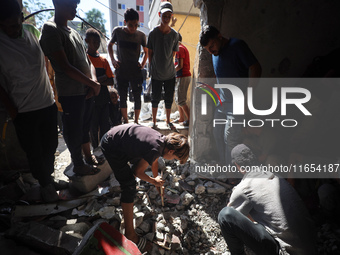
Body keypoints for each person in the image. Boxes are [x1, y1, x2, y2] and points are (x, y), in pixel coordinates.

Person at [0, 0, 58, 202]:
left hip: (47, 102)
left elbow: (45, 62)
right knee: (34, 152)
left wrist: (53, 90)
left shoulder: (32, 31)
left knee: (50, 146)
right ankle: (45, 185)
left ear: (22, 18)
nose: (10, 31)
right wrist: (13, 112)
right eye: (4, 27)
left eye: (14, 25)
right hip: (24, 110)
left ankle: (47, 178)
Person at [100, 124, 189, 252]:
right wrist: (153, 180)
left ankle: (128, 217)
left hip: (117, 137)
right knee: (129, 185)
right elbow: (137, 172)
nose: (172, 160)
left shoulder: (161, 142)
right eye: (174, 158)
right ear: (171, 151)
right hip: (111, 145)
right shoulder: (155, 148)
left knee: (136, 165)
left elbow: (153, 160)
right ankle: (130, 234)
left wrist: (155, 180)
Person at [218, 144, 317, 255]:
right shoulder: (275, 176)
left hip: (287, 252)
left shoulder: (244, 187)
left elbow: (233, 218)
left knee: (225, 215)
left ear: (237, 165)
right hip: (312, 246)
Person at [40, 0, 102, 175]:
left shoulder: (73, 32)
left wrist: (93, 83)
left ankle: (88, 158)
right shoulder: (51, 29)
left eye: (76, 5)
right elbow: (65, 66)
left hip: (86, 91)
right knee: (73, 130)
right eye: (71, 5)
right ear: (57, 4)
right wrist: (92, 84)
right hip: (71, 92)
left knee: (84, 127)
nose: (75, 8)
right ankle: (79, 164)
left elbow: (88, 61)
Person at [199, 25, 262, 166]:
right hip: (222, 102)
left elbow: (255, 67)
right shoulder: (215, 53)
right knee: (217, 134)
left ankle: (233, 175)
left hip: (238, 102)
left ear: (220, 36)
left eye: (212, 45)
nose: (211, 50)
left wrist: (248, 97)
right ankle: (224, 166)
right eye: (207, 49)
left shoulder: (237, 45)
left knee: (231, 138)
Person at [108, 8, 148, 124]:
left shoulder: (141, 35)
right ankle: (126, 120)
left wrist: (143, 63)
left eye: (136, 25)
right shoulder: (118, 32)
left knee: (137, 97)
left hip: (135, 71)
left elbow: (146, 51)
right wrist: (113, 60)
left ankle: (136, 121)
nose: (133, 28)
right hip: (121, 70)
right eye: (131, 25)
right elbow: (109, 46)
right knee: (122, 96)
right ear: (125, 22)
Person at [147, 1, 179, 131]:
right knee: (155, 98)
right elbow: (150, 53)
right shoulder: (153, 33)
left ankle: (168, 120)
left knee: (168, 98)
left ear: (171, 16)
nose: (166, 19)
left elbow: (173, 54)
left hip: (170, 73)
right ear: (159, 15)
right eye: (164, 16)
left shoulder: (174, 35)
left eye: (168, 16)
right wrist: (152, 68)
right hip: (156, 73)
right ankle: (154, 121)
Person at [85, 28, 114, 149]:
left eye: (98, 42)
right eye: (93, 42)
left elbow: (111, 80)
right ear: (87, 41)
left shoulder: (103, 61)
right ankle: (95, 149)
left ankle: (105, 148)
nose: (96, 45)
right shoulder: (85, 59)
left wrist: (98, 81)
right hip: (90, 99)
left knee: (105, 125)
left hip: (103, 98)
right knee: (93, 126)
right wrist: (102, 79)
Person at [174, 33, 191, 127]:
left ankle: (189, 119)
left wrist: (171, 71)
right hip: (180, 76)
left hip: (183, 76)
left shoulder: (180, 48)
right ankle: (181, 118)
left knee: (181, 99)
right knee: (177, 99)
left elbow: (180, 66)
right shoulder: (179, 48)